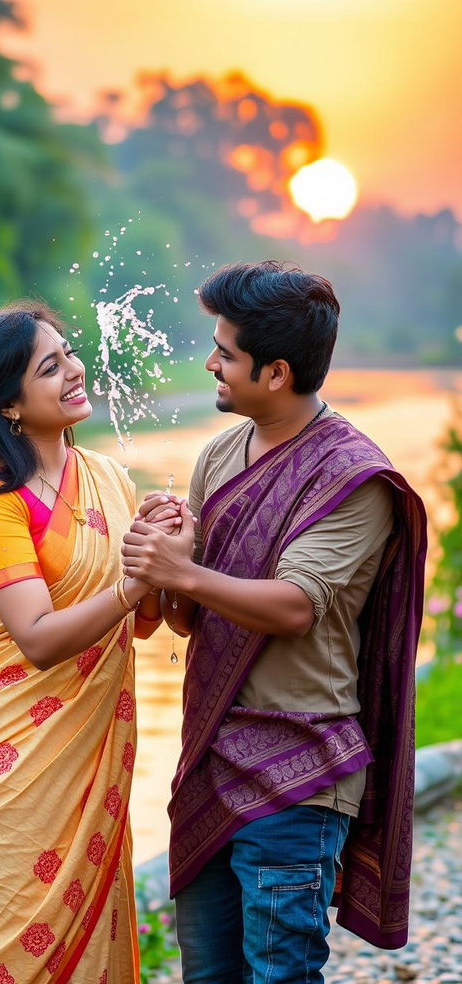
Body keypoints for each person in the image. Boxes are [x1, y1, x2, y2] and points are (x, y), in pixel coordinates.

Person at [121, 261, 427, 984]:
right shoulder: (221, 454)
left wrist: (182, 571)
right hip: (211, 762)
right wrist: (163, 552)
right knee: (208, 975)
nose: (211, 363)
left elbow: (296, 605)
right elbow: (191, 618)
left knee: (281, 974)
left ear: (277, 372)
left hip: (300, 773)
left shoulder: (352, 477)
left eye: (226, 351)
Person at [0, 301, 173, 984]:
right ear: (8, 405)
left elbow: (138, 624)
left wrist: (165, 553)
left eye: (70, 353)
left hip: (84, 760)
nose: (75, 371)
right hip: (8, 764)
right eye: (49, 367)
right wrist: (131, 583)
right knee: (9, 952)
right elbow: (35, 638)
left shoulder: (109, 481)